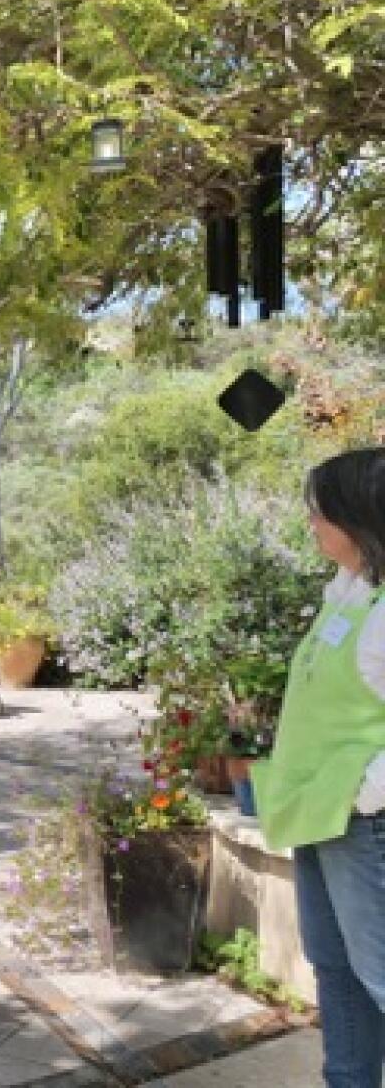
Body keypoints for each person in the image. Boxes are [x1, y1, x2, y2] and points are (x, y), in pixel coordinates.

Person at [253, 447, 385, 1088]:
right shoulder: (348, 594)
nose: (310, 521)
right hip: (319, 818)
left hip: (362, 825)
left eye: (319, 509)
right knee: (336, 973)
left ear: (358, 516)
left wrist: (366, 794)